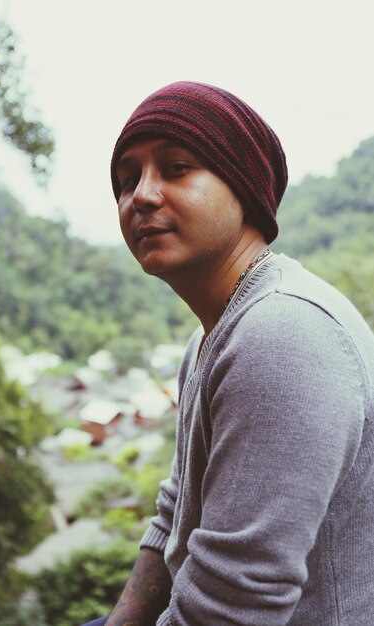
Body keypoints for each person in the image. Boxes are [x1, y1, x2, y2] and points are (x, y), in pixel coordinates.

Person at [82, 81, 374, 625]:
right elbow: (174, 519)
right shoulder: (210, 338)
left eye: (176, 167)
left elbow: (232, 609)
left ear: (244, 189)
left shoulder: (285, 334)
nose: (141, 195)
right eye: (126, 180)